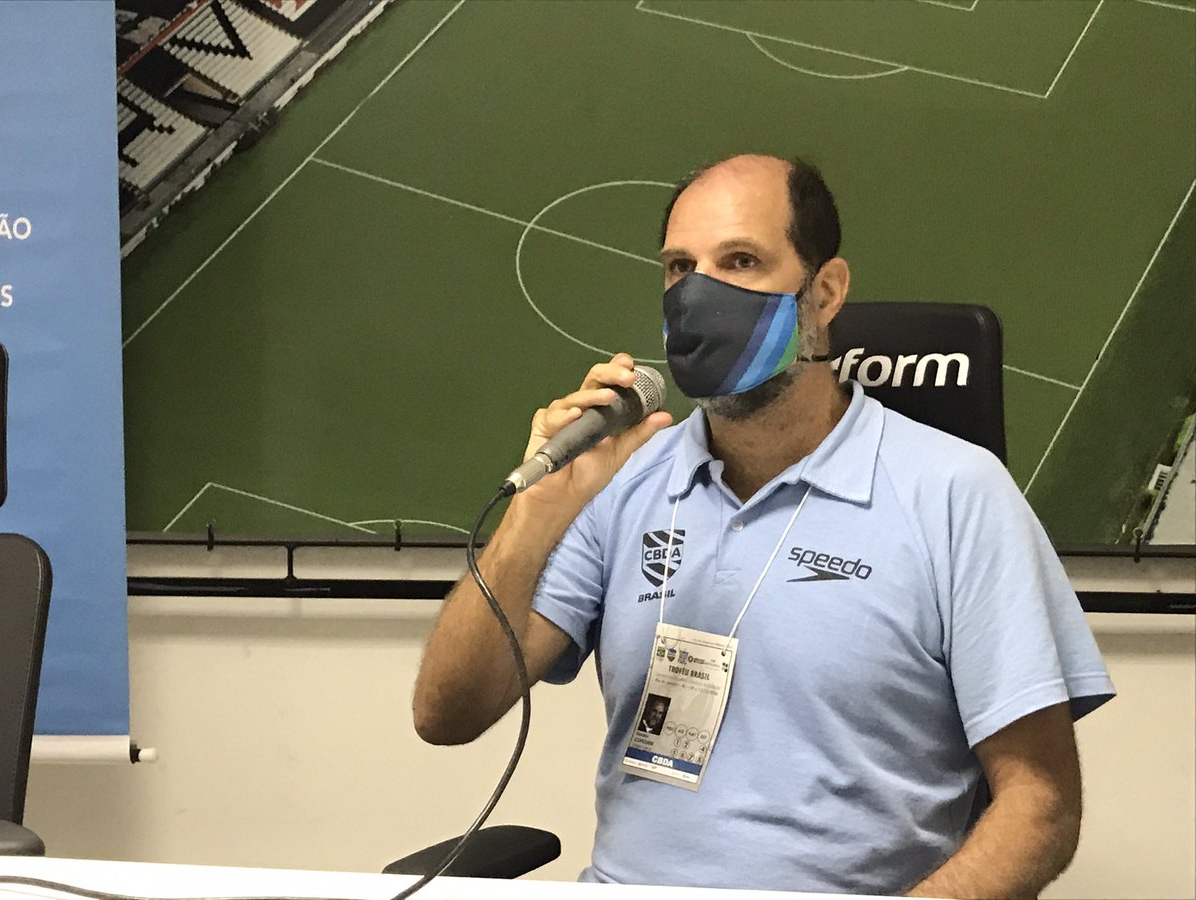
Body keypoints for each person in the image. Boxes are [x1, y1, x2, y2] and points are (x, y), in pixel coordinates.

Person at [413, 154, 1114, 897]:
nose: (699, 293)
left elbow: (1042, 805)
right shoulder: (625, 480)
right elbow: (447, 714)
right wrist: (534, 515)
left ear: (825, 291)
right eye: (680, 268)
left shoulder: (955, 493)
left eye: (740, 261)